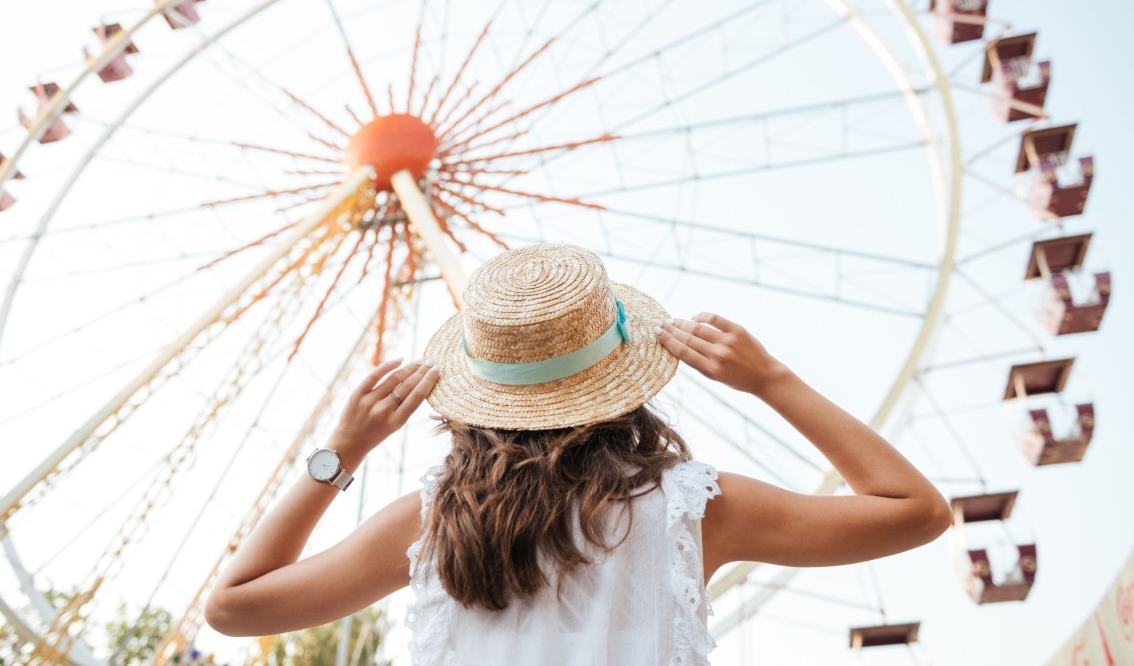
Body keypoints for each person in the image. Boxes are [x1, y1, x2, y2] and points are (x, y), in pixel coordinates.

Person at [205, 243, 952, 664]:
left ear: (476, 394)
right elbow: (915, 512)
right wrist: (772, 382)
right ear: (624, 380)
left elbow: (234, 608)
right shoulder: (692, 508)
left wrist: (344, 450)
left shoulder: (434, 522)